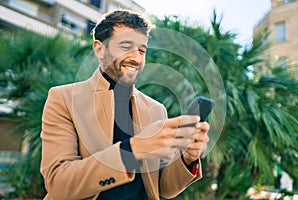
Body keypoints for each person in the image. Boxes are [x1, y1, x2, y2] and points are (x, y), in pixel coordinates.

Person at [40, 9, 210, 200]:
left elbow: (162, 188)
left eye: (142, 50)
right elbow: (59, 184)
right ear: (99, 49)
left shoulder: (156, 109)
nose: (136, 58)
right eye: (126, 46)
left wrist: (187, 158)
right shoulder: (63, 98)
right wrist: (134, 149)